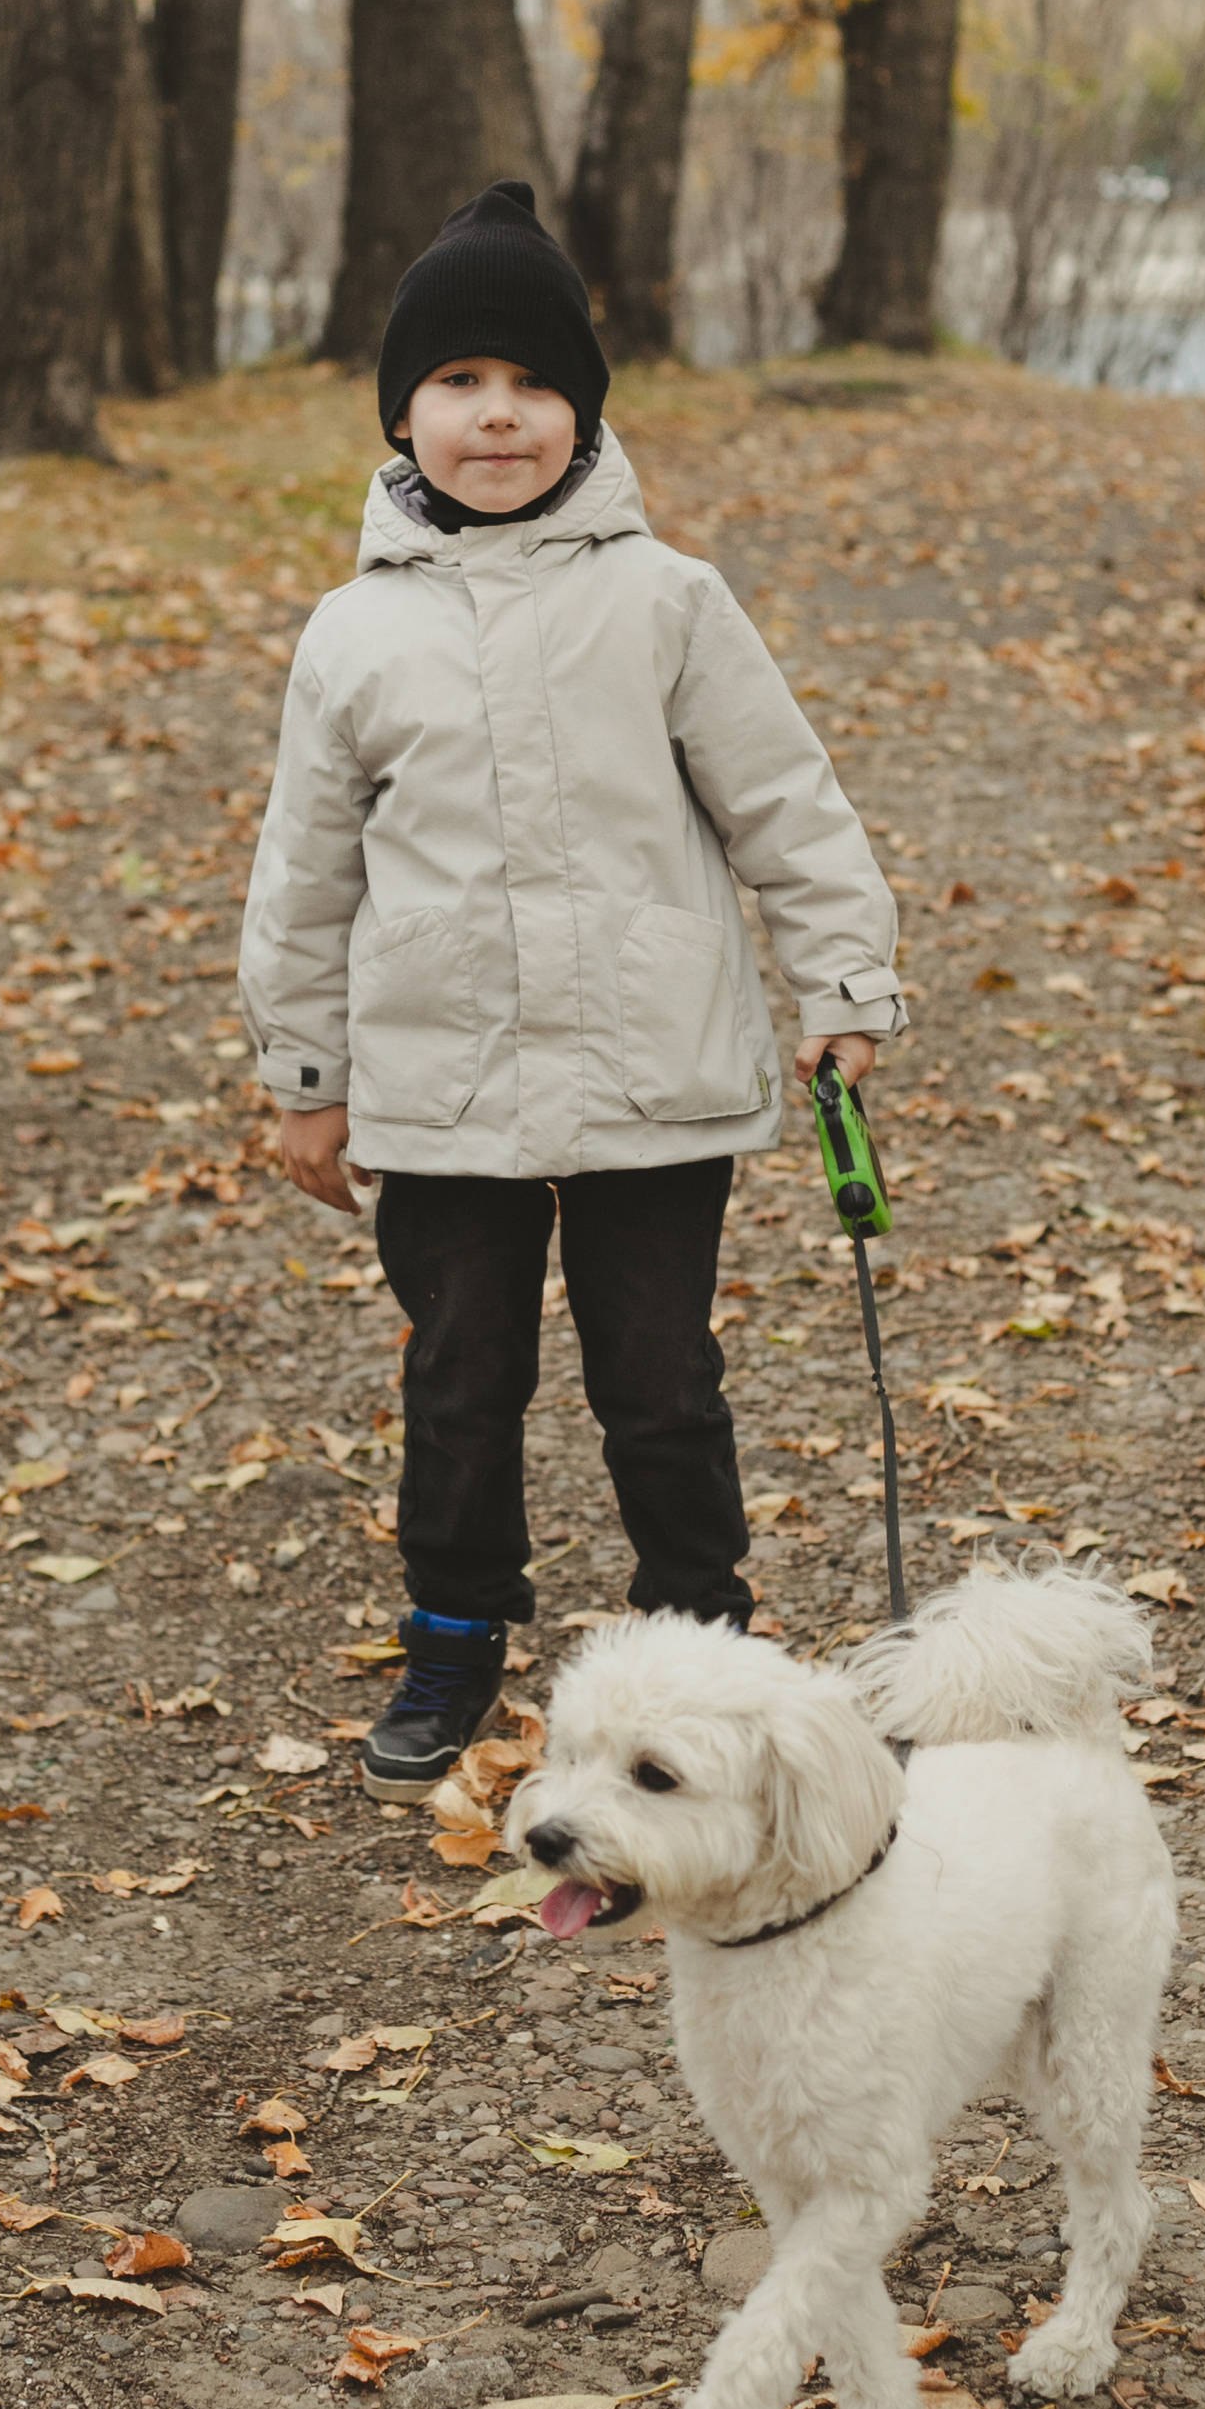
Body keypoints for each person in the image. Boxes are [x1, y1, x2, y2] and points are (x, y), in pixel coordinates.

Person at [238, 177, 905, 1797]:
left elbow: (784, 800)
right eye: (461, 383)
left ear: (582, 412)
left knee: (661, 1382)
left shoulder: (667, 597)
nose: (500, 416)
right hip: (443, 1085)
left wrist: (845, 980)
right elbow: (304, 871)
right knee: (460, 1378)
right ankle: (456, 1632)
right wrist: (305, 1079)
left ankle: (704, 1637)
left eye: (535, 385)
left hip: (648, 1076)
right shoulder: (352, 634)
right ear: (403, 413)